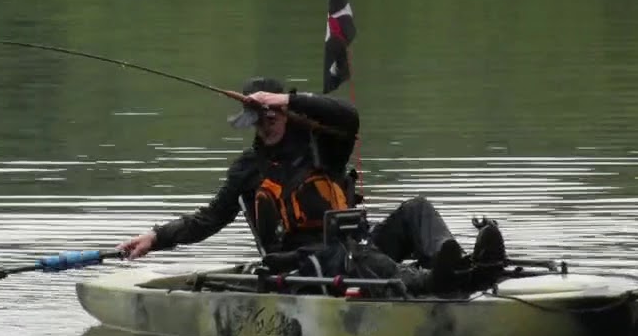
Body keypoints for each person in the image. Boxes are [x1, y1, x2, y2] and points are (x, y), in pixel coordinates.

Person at [116, 77, 505, 295]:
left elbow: (349, 117)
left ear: (288, 113)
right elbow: (208, 219)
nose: (267, 124)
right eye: (259, 119)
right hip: (302, 266)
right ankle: (435, 283)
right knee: (350, 257)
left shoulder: (323, 147)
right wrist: (156, 236)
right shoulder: (248, 169)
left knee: (416, 209)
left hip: (356, 249)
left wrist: (287, 98)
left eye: (273, 115)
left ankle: (458, 269)